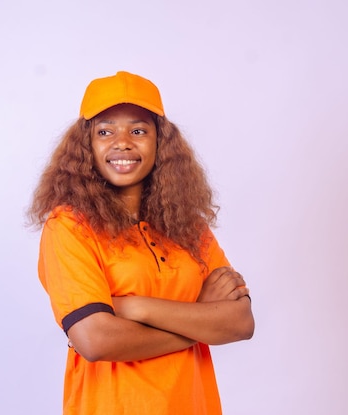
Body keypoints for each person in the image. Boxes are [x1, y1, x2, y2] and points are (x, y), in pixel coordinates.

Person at [28, 71, 254, 415]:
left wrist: (135, 307)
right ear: (86, 145)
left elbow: (240, 323)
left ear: (160, 142)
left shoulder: (189, 227)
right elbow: (96, 340)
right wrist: (200, 322)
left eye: (138, 130)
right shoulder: (69, 227)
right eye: (105, 131)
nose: (122, 142)